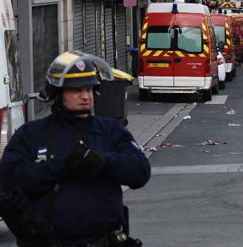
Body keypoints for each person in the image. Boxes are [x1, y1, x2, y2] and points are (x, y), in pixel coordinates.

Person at [0, 52, 150, 246]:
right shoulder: (31, 135)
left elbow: (140, 171)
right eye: (76, 91)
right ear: (57, 93)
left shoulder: (109, 130)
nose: (85, 96)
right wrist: (60, 166)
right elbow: (10, 179)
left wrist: (105, 162)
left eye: (89, 90)